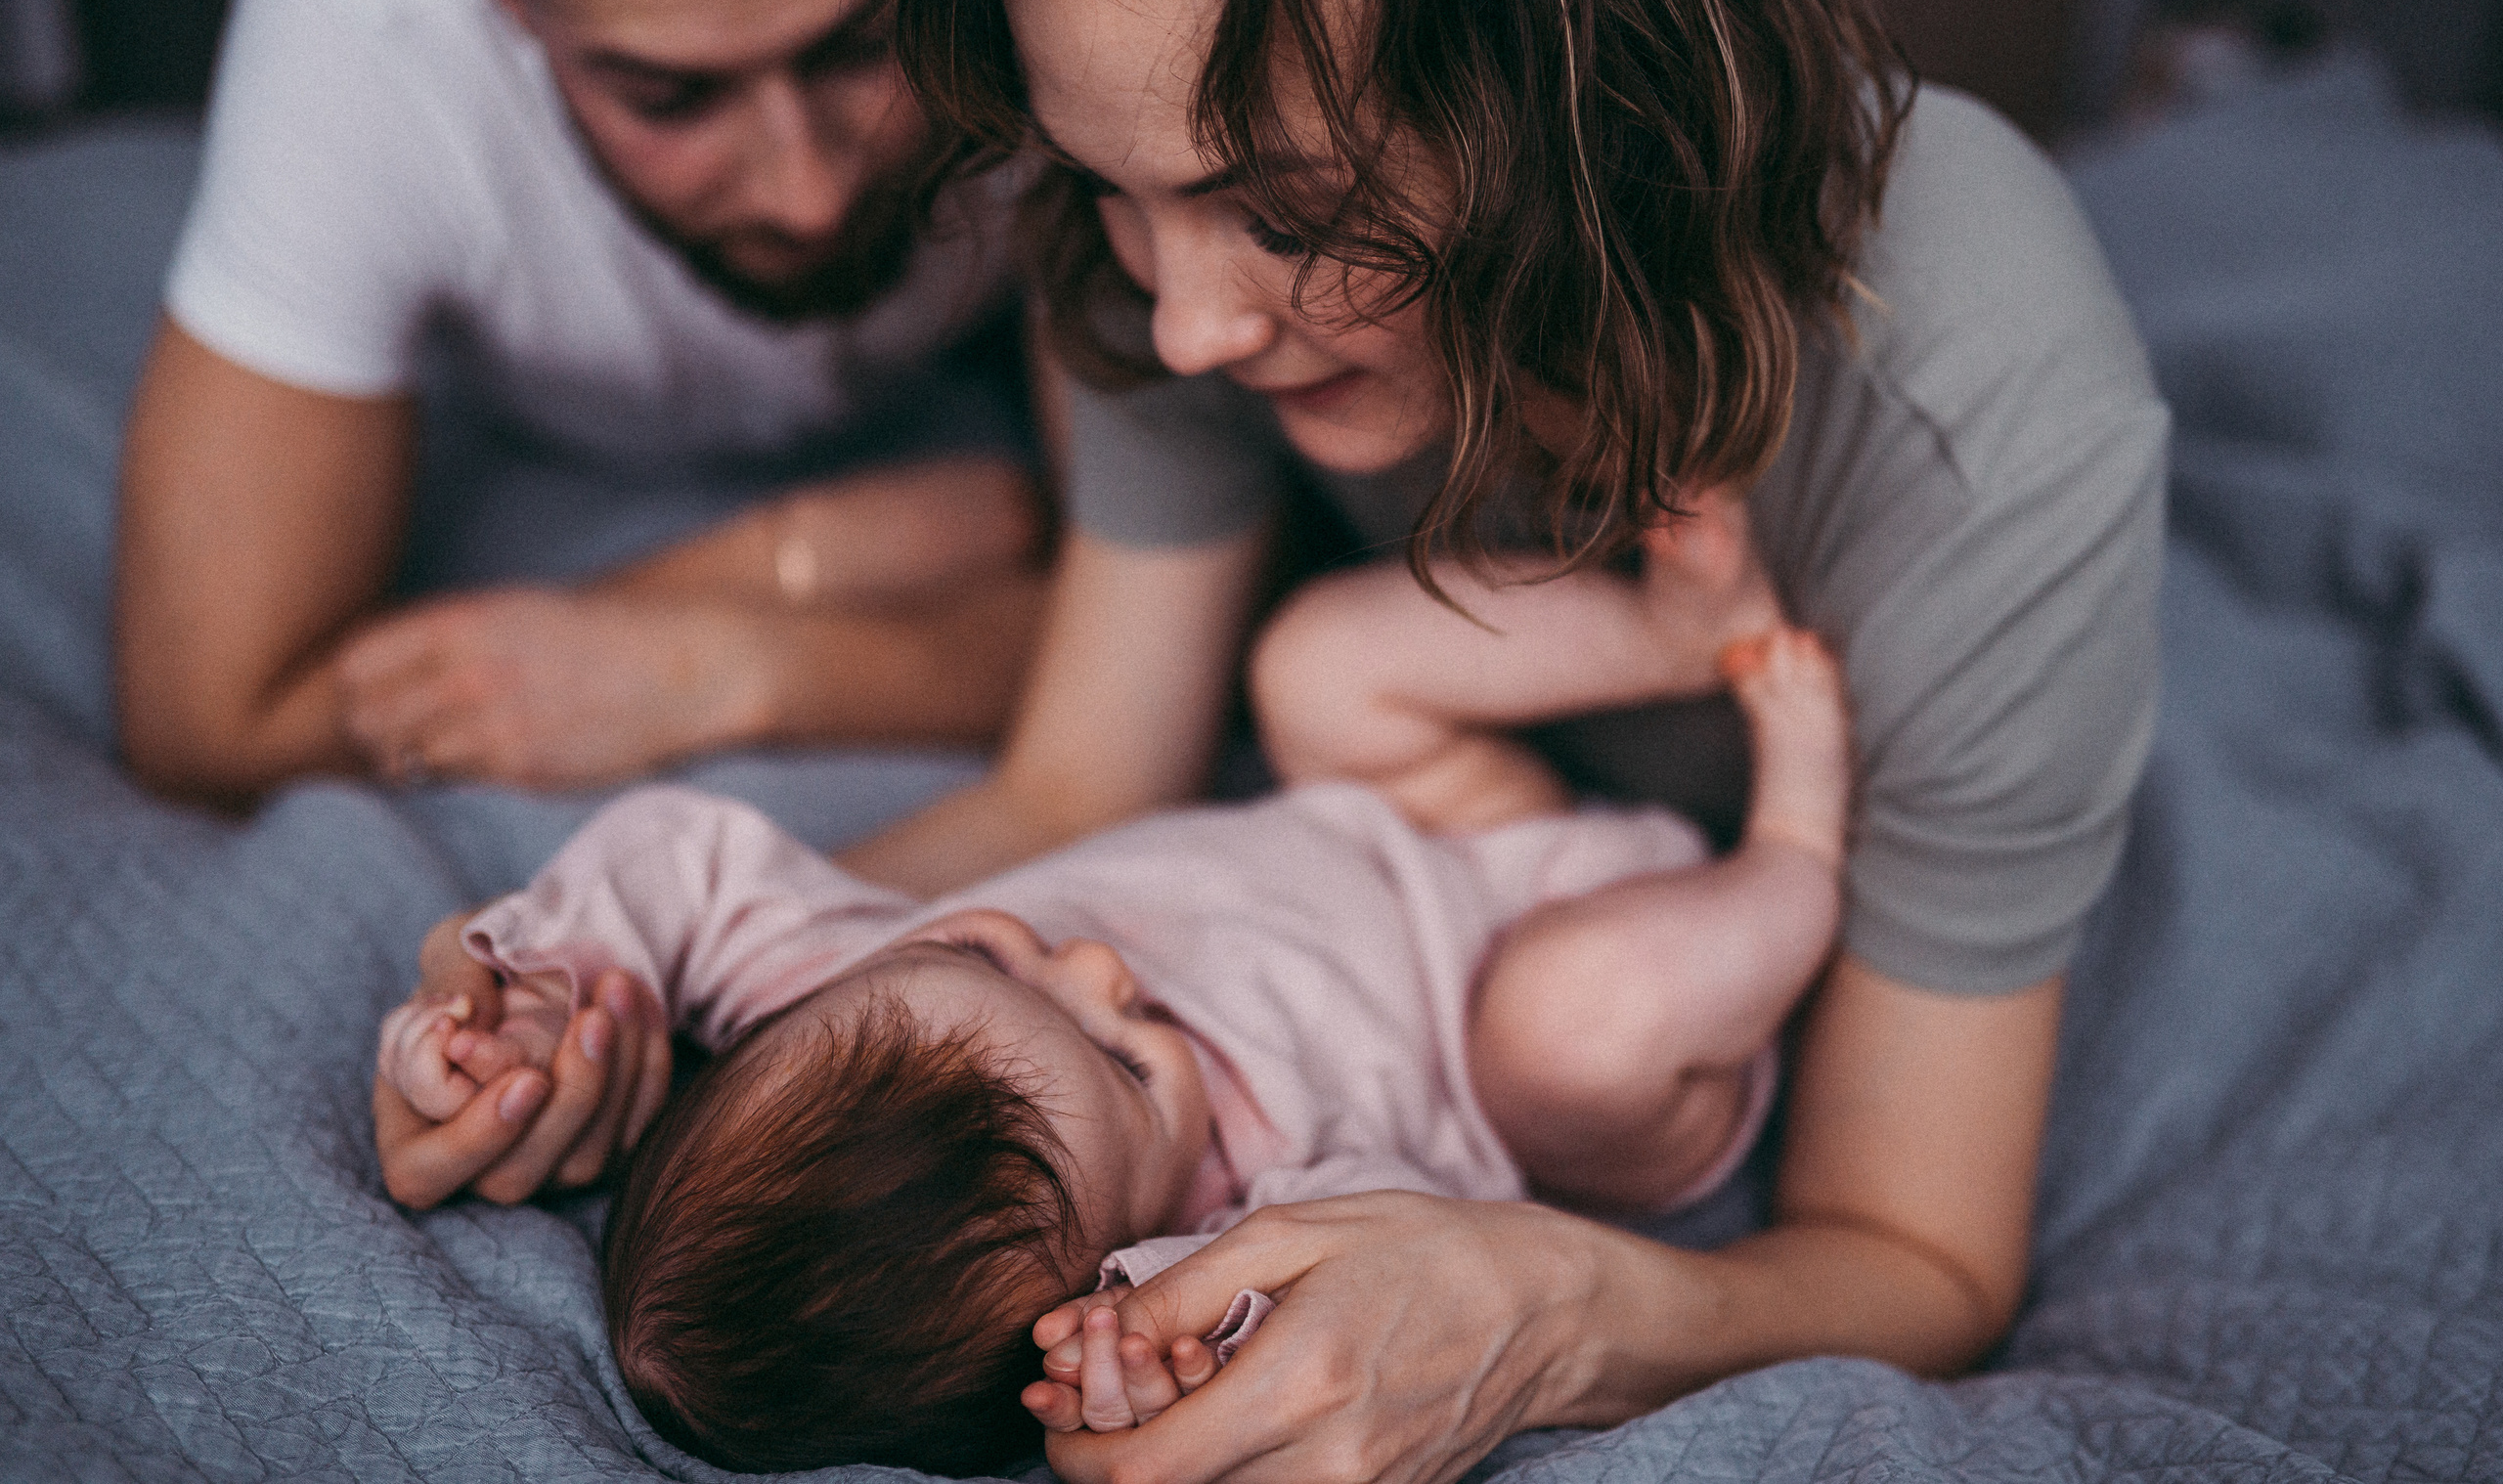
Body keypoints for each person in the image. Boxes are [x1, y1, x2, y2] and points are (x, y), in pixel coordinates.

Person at [375, 0, 2170, 1475]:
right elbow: (1080, 796)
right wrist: (599, 1012)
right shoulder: (1148, 187)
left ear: (1587, 103)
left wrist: (1539, 1311)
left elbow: (1910, 1251)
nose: (1188, 323)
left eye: (1295, 216)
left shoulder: (1975, 414)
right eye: (1109, 189)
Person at [373, 595, 1851, 1472]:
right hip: (1532, 993)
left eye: (983, 947)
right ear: (1142, 1241)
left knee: (1312, 662)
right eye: (1133, 1057)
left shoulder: (821, 977)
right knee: (1581, 1031)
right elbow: (1340, 1278)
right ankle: (1798, 843)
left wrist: (553, 981)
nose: (1092, 960)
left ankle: (1677, 620)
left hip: (1413, 809)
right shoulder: (1246, 1210)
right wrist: (1174, 1334)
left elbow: (675, 858)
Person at [114, 0, 1045, 807]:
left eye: (865, 40)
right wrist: (761, 583)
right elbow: (212, 727)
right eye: (667, 97)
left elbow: (1162, 665)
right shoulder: (368, 24)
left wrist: (739, 669)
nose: (804, 191)